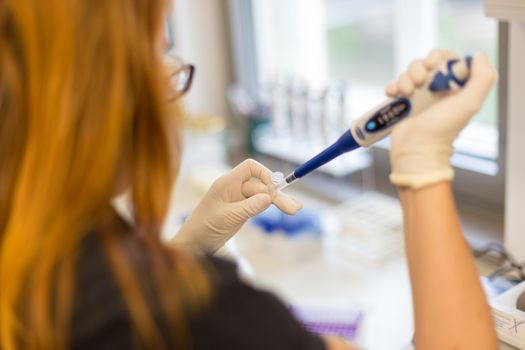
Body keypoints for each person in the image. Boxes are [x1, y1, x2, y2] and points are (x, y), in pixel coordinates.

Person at [0, 0, 498, 349]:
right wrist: (422, 169)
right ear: (98, 89)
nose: (171, 79)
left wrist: (185, 250)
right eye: (160, 47)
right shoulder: (202, 319)